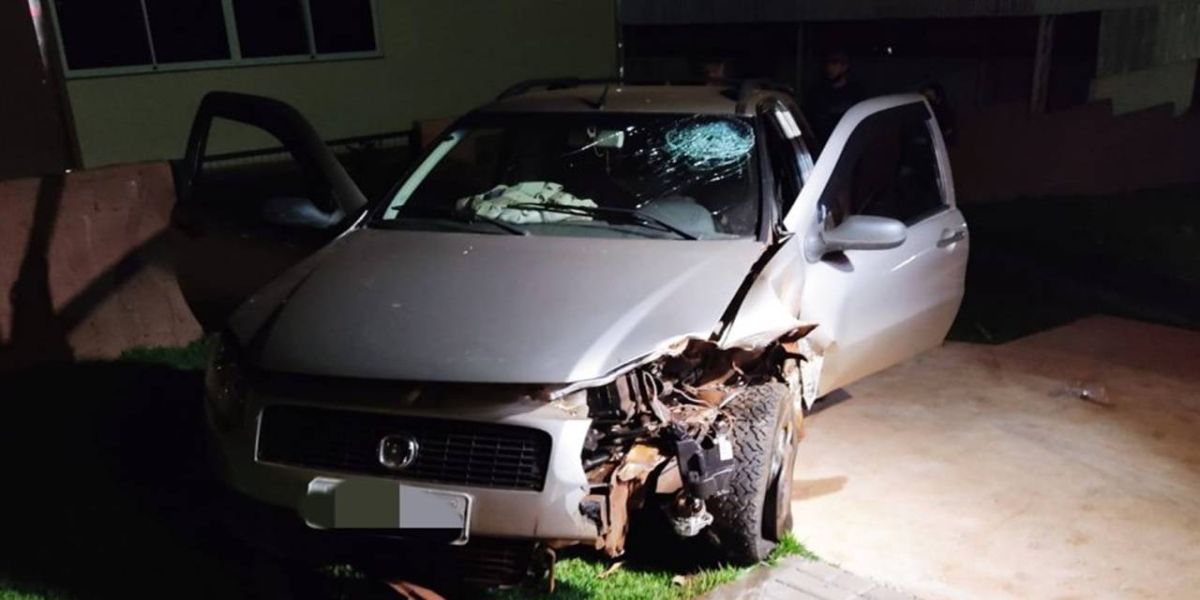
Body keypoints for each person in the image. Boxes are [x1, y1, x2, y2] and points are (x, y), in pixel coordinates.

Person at [804, 51, 867, 144]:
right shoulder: (817, 92)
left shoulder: (856, 93)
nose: (830, 68)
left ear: (845, 67)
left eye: (834, 63)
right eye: (828, 64)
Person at [918, 81, 957, 147]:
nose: (928, 98)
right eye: (926, 96)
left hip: (944, 146)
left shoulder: (944, 110)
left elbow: (948, 131)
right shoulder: (926, 110)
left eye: (930, 96)